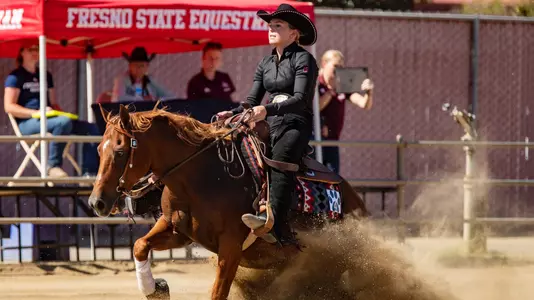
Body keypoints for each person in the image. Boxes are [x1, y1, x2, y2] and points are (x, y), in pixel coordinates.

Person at [216, 4, 319, 245]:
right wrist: (231, 113)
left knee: (280, 159)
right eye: (270, 25)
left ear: (294, 34)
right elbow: (251, 101)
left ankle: (276, 226)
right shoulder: (265, 63)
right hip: (268, 122)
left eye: (278, 26)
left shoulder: (305, 59)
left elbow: (301, 99)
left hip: (295, 123)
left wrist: (266, 109)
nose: (271, 29)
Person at [3, 40, 100, 178]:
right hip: (27, 123)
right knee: (63, 123)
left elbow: (54, 103)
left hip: (51, 119)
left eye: (37, 49)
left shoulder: (45, 75)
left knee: (92, 129)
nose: (35, 53)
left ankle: (89, 173)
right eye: (31, 49)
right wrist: (36, 113)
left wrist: (61, 113)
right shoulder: (15, 76)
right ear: (22, 52)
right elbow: (9, 107)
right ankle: (53, 165)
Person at [317, 50, 374, 173]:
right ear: (324, 64)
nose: (339, 71)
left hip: (332, 142)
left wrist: (369, 92)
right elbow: (315, 108)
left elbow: (364, 104)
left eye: (341, 67)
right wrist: (330, 92)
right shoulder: (315, 83)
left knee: (333, 180)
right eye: (336, 66)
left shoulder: (342, 85)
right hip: (315, 142)